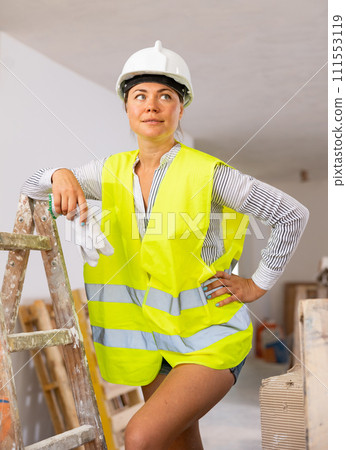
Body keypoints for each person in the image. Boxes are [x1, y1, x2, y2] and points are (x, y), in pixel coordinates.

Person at [22, 40, 309, 450]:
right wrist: (60, 173)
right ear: (127, 108)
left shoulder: (209, 174)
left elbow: (291, 215)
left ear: (180, 108)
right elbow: (30, 185)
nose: (152, 105)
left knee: (141, 436)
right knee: (179, 440)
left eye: (165, 96)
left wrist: (257, 284)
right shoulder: (108, 172)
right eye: (140, 95)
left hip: (210, 336)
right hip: (152, 339)